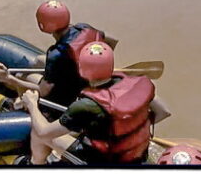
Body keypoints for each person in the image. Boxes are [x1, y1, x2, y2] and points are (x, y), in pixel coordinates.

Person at [22, 41, 156, 165]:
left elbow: (43, 132)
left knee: (38, 131)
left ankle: (36, 164)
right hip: (136, 155)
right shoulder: (140, 84)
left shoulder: (86, 106)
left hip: (101, 161)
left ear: (82, 69)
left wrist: (32, 104)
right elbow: (162, 111)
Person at [0, 0, 108, 109]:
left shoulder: (56, 54)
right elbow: (109, 40)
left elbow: (43, 90)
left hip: (70, 94)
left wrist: (9, 79)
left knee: (21, 76)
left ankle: (24, 107)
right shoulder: (83, 28)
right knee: (39, 60)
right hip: (85, 78)